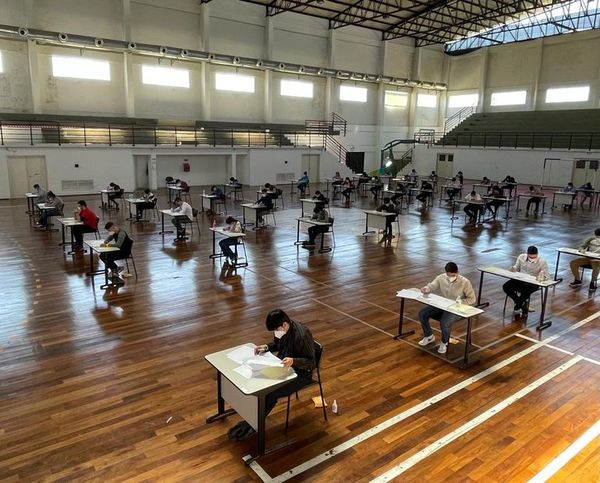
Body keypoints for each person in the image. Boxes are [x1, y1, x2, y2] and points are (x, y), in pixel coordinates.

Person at [230, 309, 315, 440]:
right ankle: (253, 416)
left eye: (277, 330)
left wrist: (294, 361)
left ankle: (254, 423)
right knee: (257, 382)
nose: (276, 333)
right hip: (282, 367)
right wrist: (266, 347)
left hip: (301, 374)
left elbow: (311, 363)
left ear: (285, 325)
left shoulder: (302, 336)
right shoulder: (281, 330)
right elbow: (277, 345)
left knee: (270, 392)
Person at [418, 262, 476, 354]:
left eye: (453, 275)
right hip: (443, 305)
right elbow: (432, 286)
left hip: (457, 308)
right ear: (446, 273)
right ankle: (429, 336)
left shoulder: (465, 282)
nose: (451, 277)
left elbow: (472, 299)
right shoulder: (441, 277)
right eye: (449, 275)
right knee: (422, 313)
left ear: (457, 272)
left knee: (444, 322)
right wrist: (426, 289)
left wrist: (460, 302)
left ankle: (444, 342)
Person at [504, 246, 549, 316]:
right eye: (530, 257)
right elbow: (517, 268)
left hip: (533, 283)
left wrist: (542, 277)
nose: (532, 259)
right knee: (506, 286)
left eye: (534, 257)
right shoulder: (521, 257)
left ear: (537, 254)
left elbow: (547, 276)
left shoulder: (542, 262)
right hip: (521, 279)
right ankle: (522, 303)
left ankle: (519, 305)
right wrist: (513, 269)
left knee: (526, 290)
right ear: (527, 254)